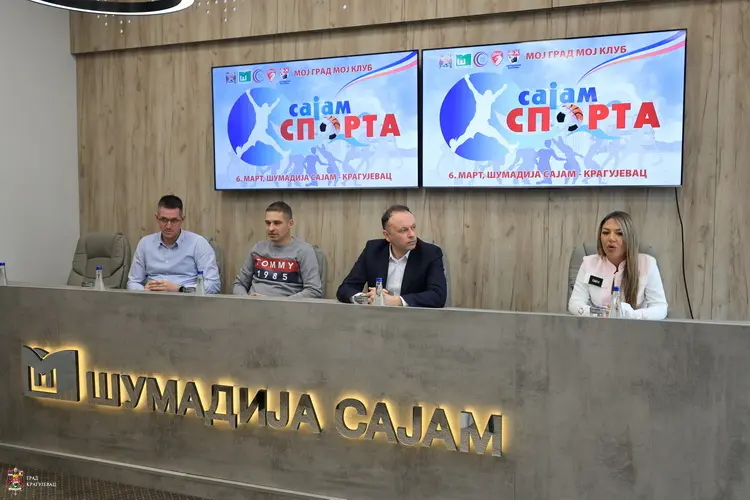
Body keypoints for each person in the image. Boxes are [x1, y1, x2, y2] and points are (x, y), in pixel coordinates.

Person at [336, 205, 447, 308]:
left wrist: (397, 301)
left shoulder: (430, 253)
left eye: (413, 227)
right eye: (404, 230)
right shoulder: (373, 250)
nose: (412, 234)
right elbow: (346, 288)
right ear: (387, 235)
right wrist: (366, 299)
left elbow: (438, 295)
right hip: (377, 318)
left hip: (415, 318)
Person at [568, 210, 667, 319]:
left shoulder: (647, 264)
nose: (611, 238)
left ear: (629, 238)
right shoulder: (589, 263)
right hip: (597, 326)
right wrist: (602, 312)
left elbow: (660, 308)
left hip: (635, 327)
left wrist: (631, 315)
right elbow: (575, 304)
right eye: (605, 232)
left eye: (619, 233)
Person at [127, 195, 220, 293]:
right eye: (164, 220)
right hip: (151, 298)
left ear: (182, 219)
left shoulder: (198, 243)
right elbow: (133, 282)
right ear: (157, 218)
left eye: (174, 220)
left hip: (186, 299)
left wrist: (180, 289)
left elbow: (213, 285)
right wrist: (145, 291)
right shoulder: (145, 243)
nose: (168, 226)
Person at [232, 201, 322, 298]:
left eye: (277, 223)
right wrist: (245, 299)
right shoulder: (257, 248)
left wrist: (276, 303)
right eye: (268, 223)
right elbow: (239, 284)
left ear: (290, 224)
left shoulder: (304, 251)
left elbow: (313, 290)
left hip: (286, 306)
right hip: (253, 304)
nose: (271, 228)